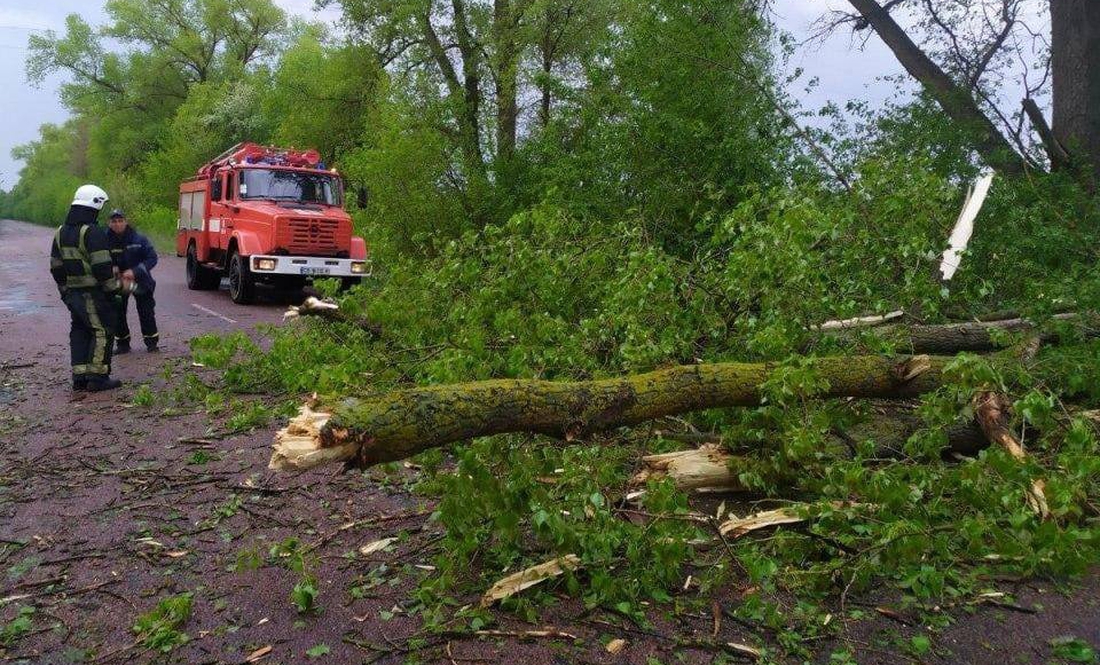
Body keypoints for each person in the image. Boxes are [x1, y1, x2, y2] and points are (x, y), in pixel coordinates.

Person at [49, 184, 123, 391]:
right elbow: (102, 267)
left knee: (80, 330)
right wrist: (113, 291)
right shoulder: (92, 232)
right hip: (93, 293)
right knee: (102, 330)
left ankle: (80, 377)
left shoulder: (60, 232)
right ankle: (98, 378)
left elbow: (56, 267)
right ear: (94, 205)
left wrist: (65, 292)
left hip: (73, 294)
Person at [105, 209, 159, 353]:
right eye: (114, 221)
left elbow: (152, 258)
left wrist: (135, 272)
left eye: (120, 221)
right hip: (118, 281)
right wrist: (111, 267)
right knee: (118, 311)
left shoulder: (139, 239)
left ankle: (151, 342)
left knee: (146, 310)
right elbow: (99, 259)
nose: (117, 224)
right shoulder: (104, 241)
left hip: (140, 280)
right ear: (109, 223)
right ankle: (122, 344)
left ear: (126, 221)